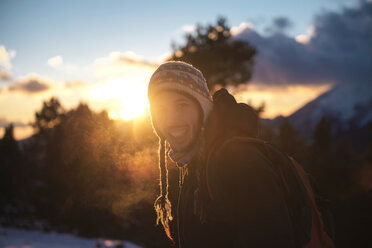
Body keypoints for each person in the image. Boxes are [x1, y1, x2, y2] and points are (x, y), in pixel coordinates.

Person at [147, 61, 334, 248]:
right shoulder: (197, 164)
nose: (171, 119)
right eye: (161, 109)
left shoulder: (238, 161)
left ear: (202, 109)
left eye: (182, 105)